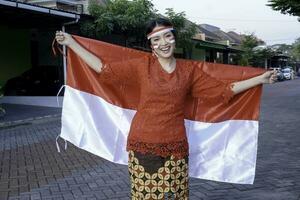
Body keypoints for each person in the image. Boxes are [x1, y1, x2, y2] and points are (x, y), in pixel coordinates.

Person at [55, 18, 276, 200]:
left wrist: (259, 79)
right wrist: (72, 43)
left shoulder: (189, 71)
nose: (164, 43)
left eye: (168, 36)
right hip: (143, 146)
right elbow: (105, 70)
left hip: (176, 148)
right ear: (151, 44)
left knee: (175, 196)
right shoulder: (141, 66)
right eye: (157, 39)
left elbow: (222, 91)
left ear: (174, 39)